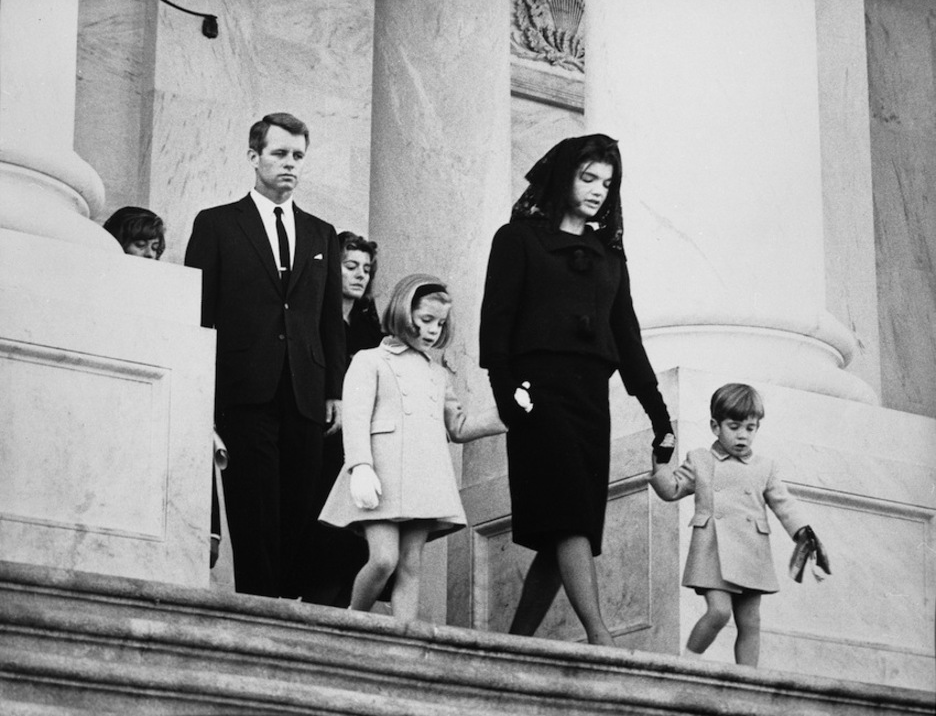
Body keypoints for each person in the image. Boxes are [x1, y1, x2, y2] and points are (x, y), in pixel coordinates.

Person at [479, 134, 675, 646]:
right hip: (538, 396)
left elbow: (627, 339)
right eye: (588, 178)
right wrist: (507, 394)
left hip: (591, 400)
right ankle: (600, 636)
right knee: (570, 520)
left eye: (606, 184)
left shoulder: (609, 256)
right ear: (562, 176)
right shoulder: (517, 238)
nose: (597, 191)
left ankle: (516, 643)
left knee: (566, 527)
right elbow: (496, 323)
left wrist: (660, 416)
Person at [184, 112, 345, 598]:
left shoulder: (321, 233)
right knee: (252, 510)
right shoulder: (216, 224)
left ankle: (287, 608)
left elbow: (327, 320)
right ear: (254, 157)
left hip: (305, 394)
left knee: (299, 510)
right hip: (243, 392)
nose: (290, 163)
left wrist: (334, 391)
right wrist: (201, 394)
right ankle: (259, 608)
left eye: (298, 155)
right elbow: (198, 314)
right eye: (279, 153)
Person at [319, 274, 505, 621]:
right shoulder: (369, 359)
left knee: (410, 564)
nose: (434, 330)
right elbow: (356, 417)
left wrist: (507, 413)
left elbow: (459, 426)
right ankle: (353, 622)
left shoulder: (437, 373)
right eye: (426, 319)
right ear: (405, 312)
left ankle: (403, 637)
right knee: (383, 559)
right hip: (381, 476)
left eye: (440, 323)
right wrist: (360, 466)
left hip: (425, 478)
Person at [647, 383, 822, 666]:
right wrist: (660, 464)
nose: (742, 435)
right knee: (718, 612)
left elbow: (783, 503)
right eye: (734, 426)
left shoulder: (765, 466)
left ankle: (748, 680)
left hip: (751, 551)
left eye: (750, 428)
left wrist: (803, 531)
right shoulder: (701, 460)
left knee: (751, 621)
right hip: (712, 550)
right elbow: (672, 489)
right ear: (715, 426)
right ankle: (687, 665)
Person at [105, 204, 223, 566]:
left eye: (155, 248)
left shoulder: (169, 293)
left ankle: (204, 536)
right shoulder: (105, 286)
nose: (150, 255)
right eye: (140, 245)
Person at [304, 232, 384, 606]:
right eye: (351, 266)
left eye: (366, 268)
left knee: (357, 533)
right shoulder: (314, 318)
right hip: (323, 436)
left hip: (361, 441)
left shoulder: (372, 329)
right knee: (323, 525)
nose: (360, 275)